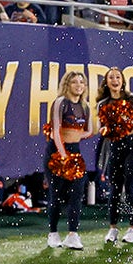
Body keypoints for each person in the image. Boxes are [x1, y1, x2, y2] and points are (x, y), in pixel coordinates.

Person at [96, 67, 133, 244]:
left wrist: (126, 121)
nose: (115, 80)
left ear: (123, 80)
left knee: (131, 186)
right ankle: (113, 229)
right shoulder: (103, 104)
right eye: (111, 77)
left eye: (118, 77)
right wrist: (105, 129)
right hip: (116, 145)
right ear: (107, 82)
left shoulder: (132, 99)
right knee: (114, 189)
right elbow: (104, 127)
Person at [45, 71, 94, 249]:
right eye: (74, 82)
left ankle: (73, 234)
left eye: (82, 82)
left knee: (77, 194)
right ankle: (53, 233)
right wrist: (63, 155)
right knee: (56, 195)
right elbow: (56, 130)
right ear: (67, 85)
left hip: (75, 152)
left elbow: (89, 130)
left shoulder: (85, 106)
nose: (79, 85)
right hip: (57, 151)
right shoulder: (60, 103)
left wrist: (75, 134)